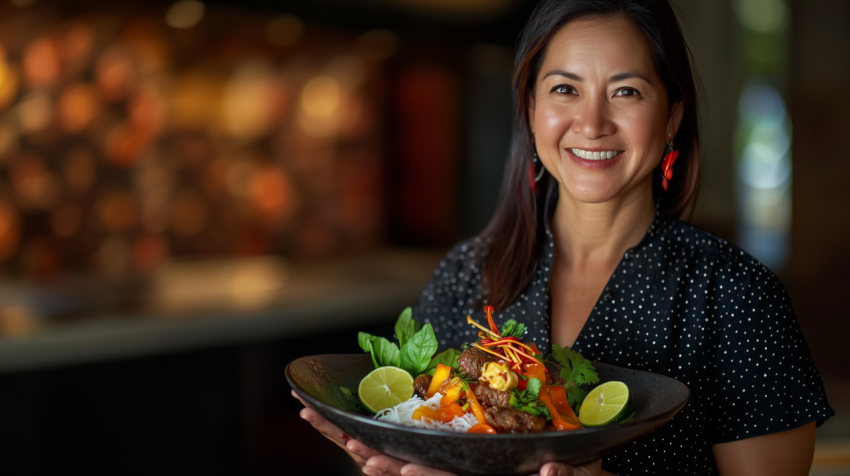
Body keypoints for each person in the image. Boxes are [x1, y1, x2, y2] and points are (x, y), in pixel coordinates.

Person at [294, 0, 835, 474]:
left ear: (672, 117)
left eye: (625, 90)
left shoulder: (736, 294)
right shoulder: (466, 273)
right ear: (531, 111)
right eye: (564, 89)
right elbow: (422, 434)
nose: (592, 121)